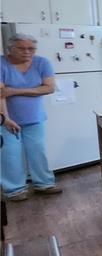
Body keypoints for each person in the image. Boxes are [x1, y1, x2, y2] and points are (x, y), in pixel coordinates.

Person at [1, 33, 61, 201]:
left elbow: (49, 88)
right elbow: (0, 94)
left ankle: (44, 184)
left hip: (34, 118)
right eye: (21, 48)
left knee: (38, 151)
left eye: (31, 49)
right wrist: (5, 119)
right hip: (6, 120)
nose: (27, 52)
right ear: (10, 48)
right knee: (10, 154)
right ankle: (14, 190)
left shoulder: (42, 63)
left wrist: (14, 90)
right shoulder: (1, 64)